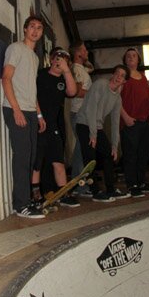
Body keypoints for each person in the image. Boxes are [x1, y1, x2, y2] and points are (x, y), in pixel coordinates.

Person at [1, 15, 47, 219]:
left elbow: (32, 89)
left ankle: (25, 201)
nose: (35, 31)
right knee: (22, 157)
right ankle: (21, 205)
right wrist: (16, 110)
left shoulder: (35, 57)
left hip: (30, 111)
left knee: (30, 157)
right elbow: (6, 78)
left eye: (39, 28)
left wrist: (39, 114)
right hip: (15, 109)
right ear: (25, 30)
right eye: (32, 27)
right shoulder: (16, 49)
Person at [31, 48, 78, 207]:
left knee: (58, 160)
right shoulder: (41, 75)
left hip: (53, 125)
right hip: (39, 122)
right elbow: (32, 96)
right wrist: (39, 116)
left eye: (63, 60)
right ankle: (35, 194)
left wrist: (66, 71)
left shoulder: (64, 79)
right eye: (57, 58)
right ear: (51, 59)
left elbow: (72, 92)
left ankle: (63, 193)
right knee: (38, 161)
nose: (59, 61)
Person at [75, 65, 130, 201]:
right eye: (117, 73)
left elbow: (115, 123)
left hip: (96, 127)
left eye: (122, 76)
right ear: (113, 74)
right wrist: (93, 134)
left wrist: (114, 146)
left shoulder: (117, 98)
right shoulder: (100, 84)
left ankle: (111, 189)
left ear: (124, 81)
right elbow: (90, 110)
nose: (118, 77)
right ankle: (95, 192)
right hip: (84, 124)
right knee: (90, 160)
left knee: (109, 155)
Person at [120, 47, 149, 197]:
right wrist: (125, 117)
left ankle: (141, 181)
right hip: (130, 121)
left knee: (143, 153)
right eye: (128, 56)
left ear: (138, 59)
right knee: (130, 154)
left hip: (146, 120)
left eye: (133, 55)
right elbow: (115, 99)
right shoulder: (122, 76)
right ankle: (132, 184)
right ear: (125, 60)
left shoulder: (143, 76)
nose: (131, 58)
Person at [68, 40, 94, 197]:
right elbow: (76, 92)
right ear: (78, 53)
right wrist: (94, 94)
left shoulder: (81, 69)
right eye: (84, 50)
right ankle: (79, 187)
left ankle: (80, 185)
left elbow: (91, 68)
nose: (87, 52)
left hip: (83, 113)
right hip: (79, 113)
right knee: (80, 150)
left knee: (81, 149)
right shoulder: (76, 70)